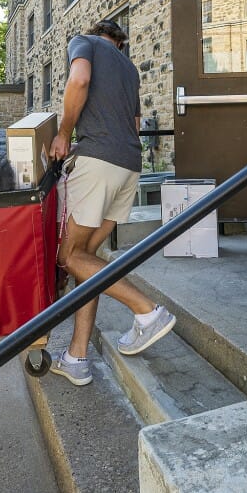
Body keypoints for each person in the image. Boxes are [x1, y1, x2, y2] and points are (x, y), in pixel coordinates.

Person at [47, 20, 176, 386]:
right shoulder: (129, 68)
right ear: (119, 43)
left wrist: (63, 134)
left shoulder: (83, 42)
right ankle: (77, 356)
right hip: (129, 166)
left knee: (68, 256)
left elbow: (80, 81)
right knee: (87, 259)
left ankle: (147, 312)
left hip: (99, 160)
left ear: (98, 36)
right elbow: (134, 124)